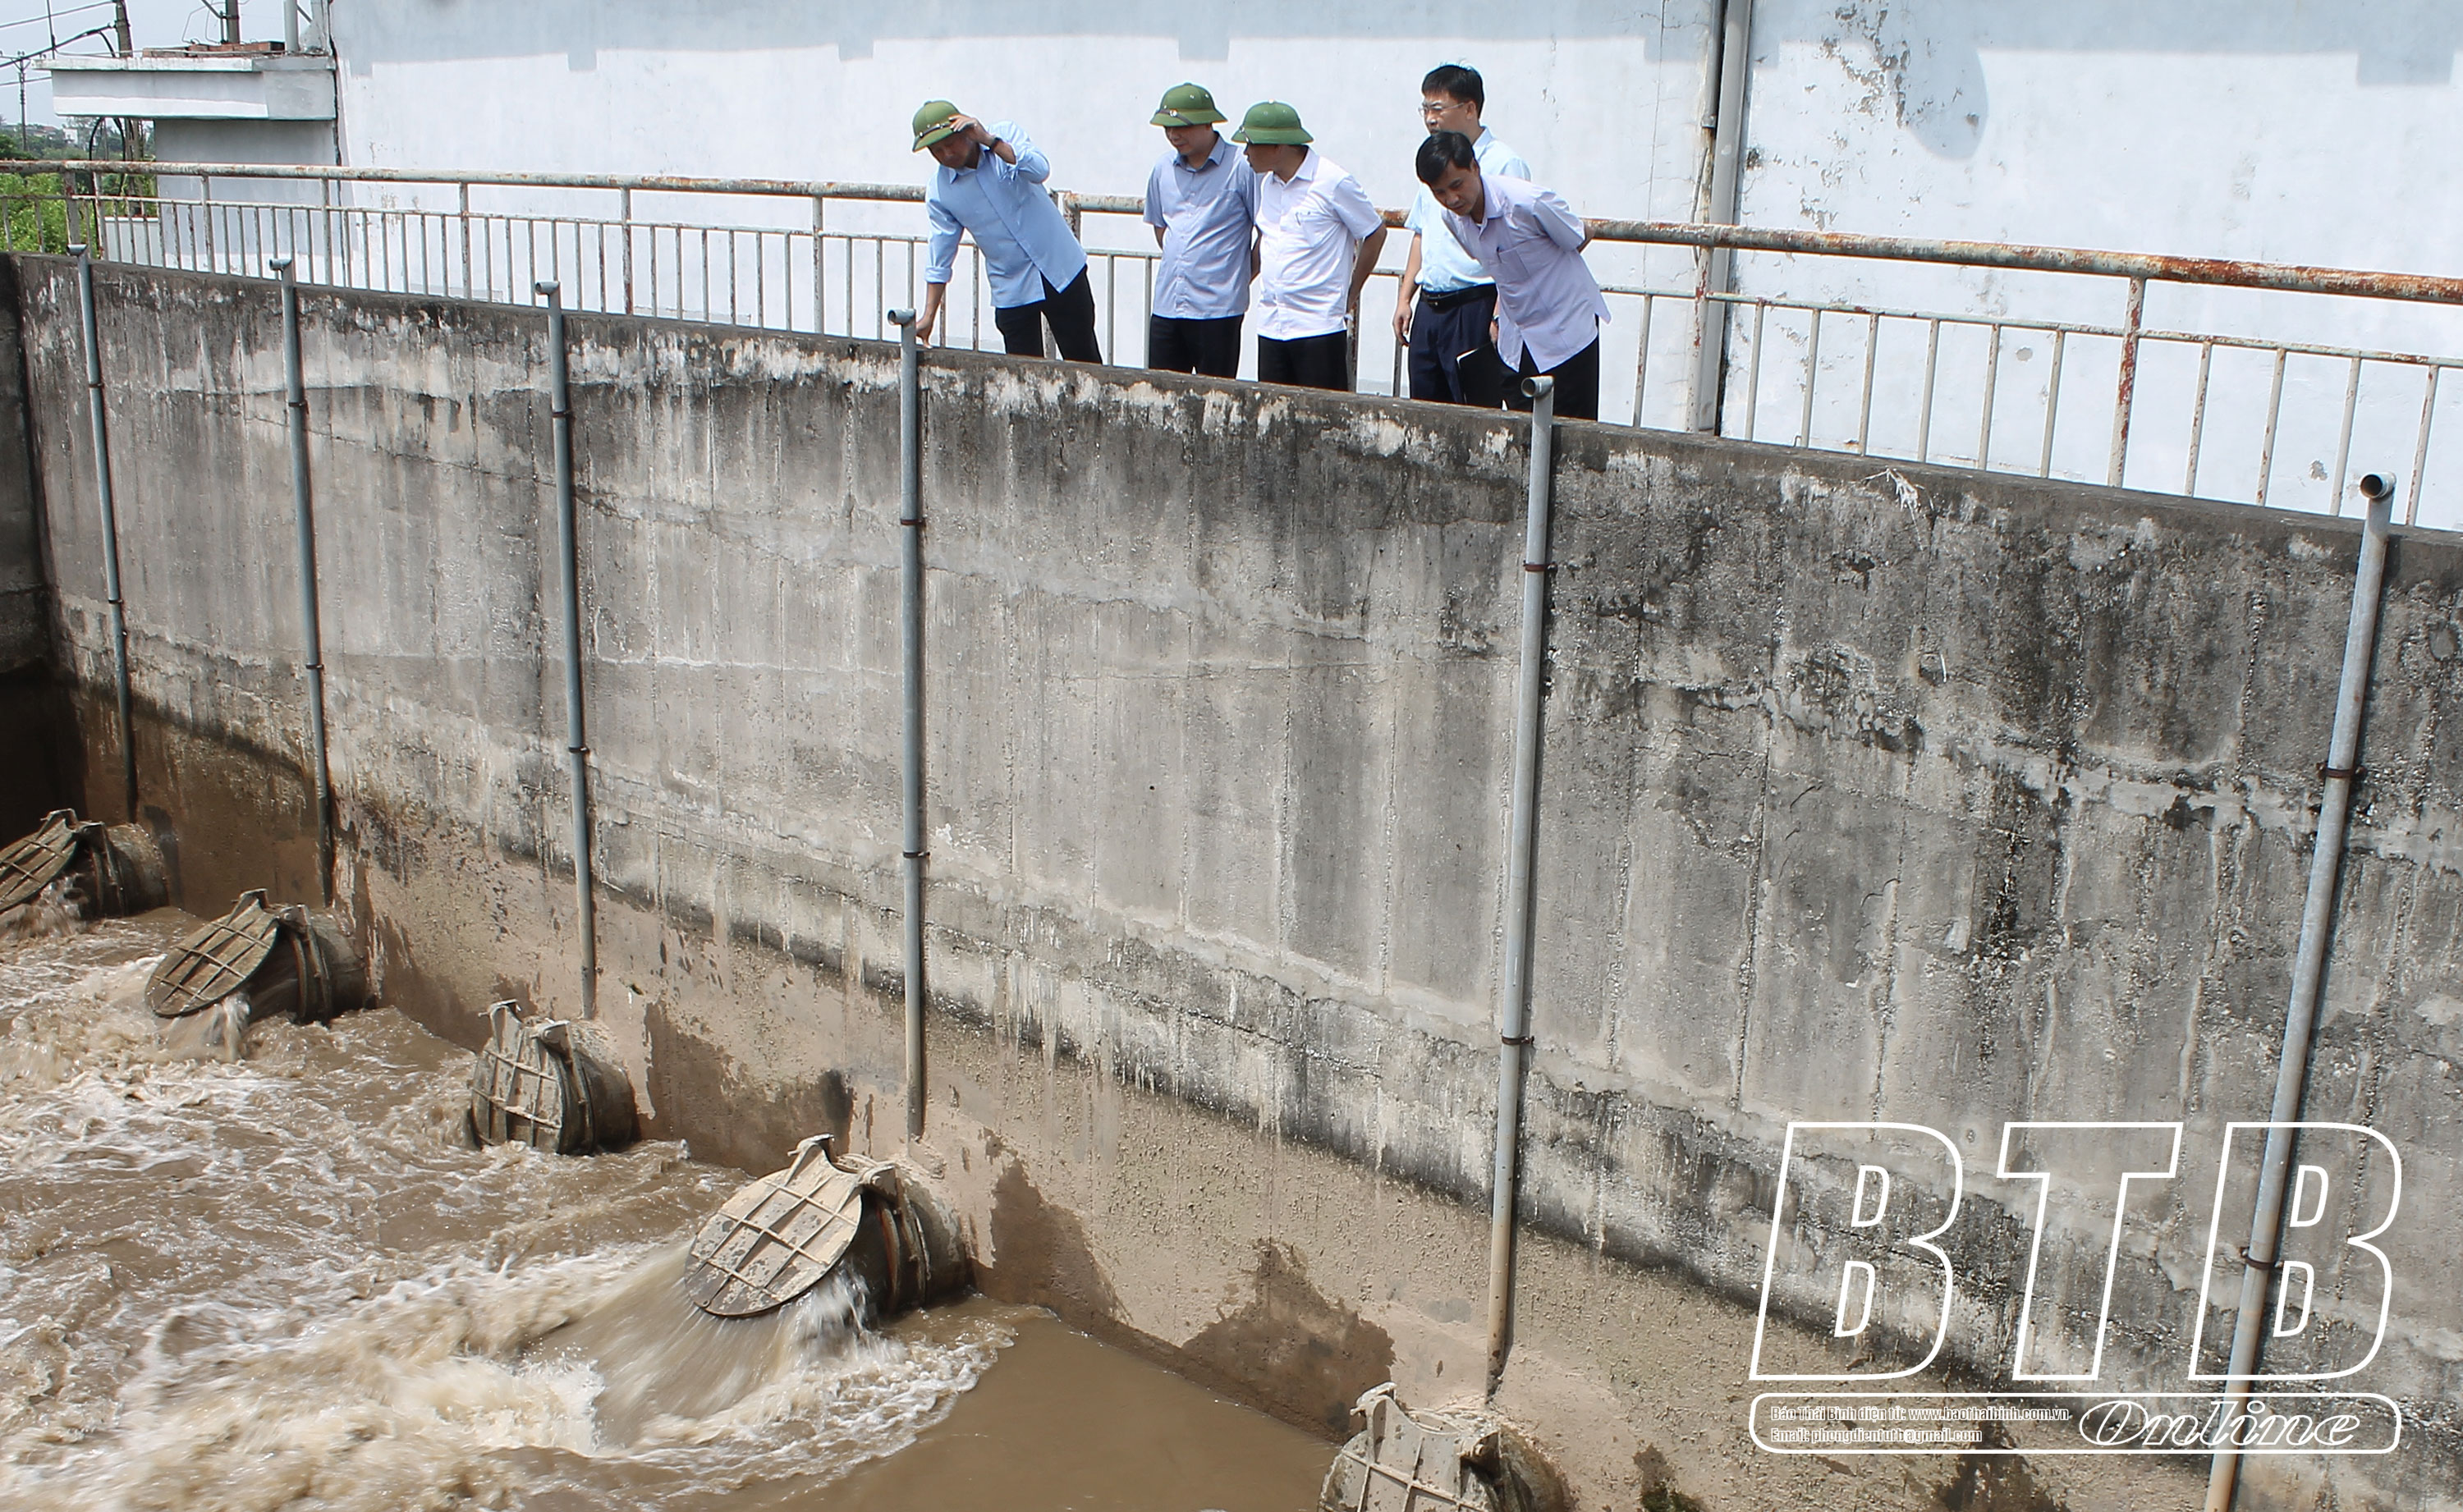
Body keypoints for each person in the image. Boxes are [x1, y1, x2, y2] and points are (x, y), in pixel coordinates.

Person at [1416, 130, 1609, 420]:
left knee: (1571, 433)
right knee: (1520, 430)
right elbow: (1494, 267)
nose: (1452, 199)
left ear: (1475, 168)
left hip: (1566, 331)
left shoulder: (1525, 202)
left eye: (1457, 185)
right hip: (1516, 338)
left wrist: (1545, 275)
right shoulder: (1452, 218)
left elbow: (1579, 235)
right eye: (1439, 192)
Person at [910, 100, 1102, 363]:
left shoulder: (1006, 134)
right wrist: (929, 315)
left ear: (965, 131)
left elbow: (1040, 169)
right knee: (1022, 373)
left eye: (950, 144)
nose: (946, 155)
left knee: (1084, 360)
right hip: (1011, 285)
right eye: (936, 151)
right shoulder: (941, 190)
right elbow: (941, 252)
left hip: (1060, 268)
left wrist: (991, 142)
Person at [1392, 64, 1530, 405]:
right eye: (1425, 109)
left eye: (1438, 108)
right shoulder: (1434, 160)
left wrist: (1499, 312)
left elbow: (1516, 246)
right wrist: (1404, 298)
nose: (1429, 119)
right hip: (1430, 305)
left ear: (1470, 108)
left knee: (1473, 409)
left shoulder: (1503, 163)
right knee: (1425, 409)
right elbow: (1422, 233)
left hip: (1474, 305)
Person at [1232, 100, 1387, 392]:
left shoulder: (1332, 181)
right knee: (1274, 418)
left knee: (1323, 423)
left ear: (1277, 146)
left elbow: (1375, 232)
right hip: (1272, 323)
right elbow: (1267, 238)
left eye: (1252, 144)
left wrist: (1352, 292)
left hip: (1318, 326)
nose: (1246, 153)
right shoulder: (1268, 184)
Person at [1142, 83, 1258, 378]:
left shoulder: (1241, 167)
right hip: (1169, 304)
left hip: (1218, 309)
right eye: (1167, 127)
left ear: (1209, 123)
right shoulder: (1162, 168)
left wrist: (1241, 274)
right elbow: (1161, 228)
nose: (1174, 135)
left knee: (1216, 399)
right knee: (1162, 396)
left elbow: (1267, 230)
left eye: (1183, 127)